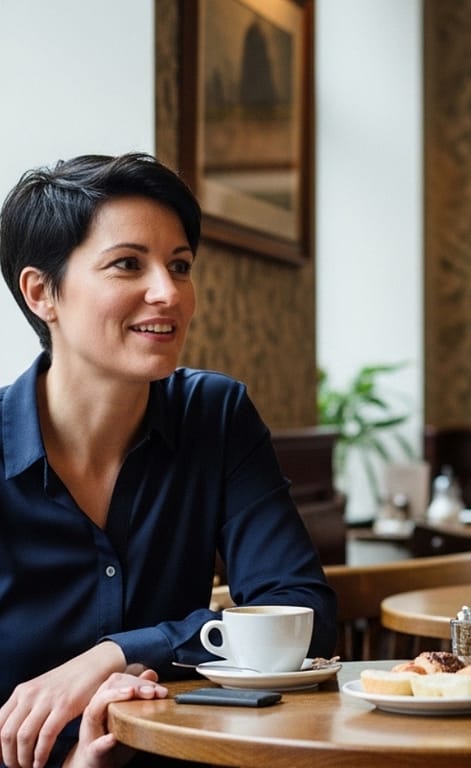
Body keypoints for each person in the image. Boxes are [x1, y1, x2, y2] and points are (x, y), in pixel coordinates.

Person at [0, 153, 338, 768]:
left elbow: (305, 615)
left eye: (179, 265)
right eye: (128, 264)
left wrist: (116, 652)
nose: (169, 293)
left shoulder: (216, 413)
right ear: (42, 292)